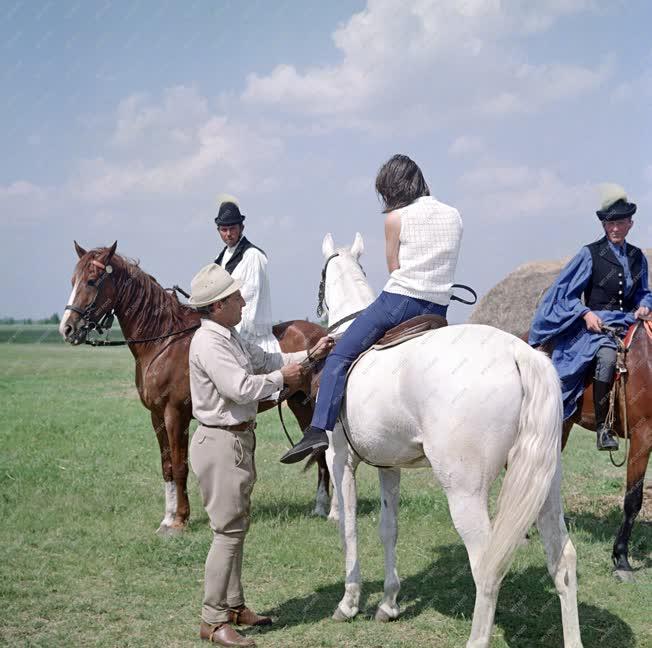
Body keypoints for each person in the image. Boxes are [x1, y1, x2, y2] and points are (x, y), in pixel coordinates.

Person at [280, 154, 464, 464]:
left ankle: (317, 431)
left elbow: (395, 267)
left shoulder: (396, 218)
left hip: (399, 302)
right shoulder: (454, 215)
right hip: (439, 308)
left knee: (339, 354)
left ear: (392, 188)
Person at [187, 263, 332, 646]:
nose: (243, 299)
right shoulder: (210, 342)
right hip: (220, 443)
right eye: (235, 297)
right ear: (217, 306)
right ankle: (213, 621)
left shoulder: (228, 335)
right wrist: (286, 380)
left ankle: (233, 607)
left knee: (236, 527)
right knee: (226, 533)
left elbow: (267, 360)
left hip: (234, 441)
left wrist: (309, 353)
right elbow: (239, 387)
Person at [529, 184, 652, 451]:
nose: (615, 228)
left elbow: (644, 292)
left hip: (631, 324)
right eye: (610, 223)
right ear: (604, 225)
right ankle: (603, 428)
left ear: (630, 223)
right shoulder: (590, 254)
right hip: (599, 328)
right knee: (607, 357)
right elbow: (564, 295)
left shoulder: (637, 257)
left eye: (620, 222)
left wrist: (644, 305)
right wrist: (585, 313)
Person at [214, 195, 279, 354]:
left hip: (248, 335)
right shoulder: (221, 258)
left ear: (241, 228)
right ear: (218, 231)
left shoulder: (252, 256)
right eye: (224, 229)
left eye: (232, 228)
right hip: (226, 327)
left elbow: (249, 301)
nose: (228, 234)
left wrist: (231, 335)